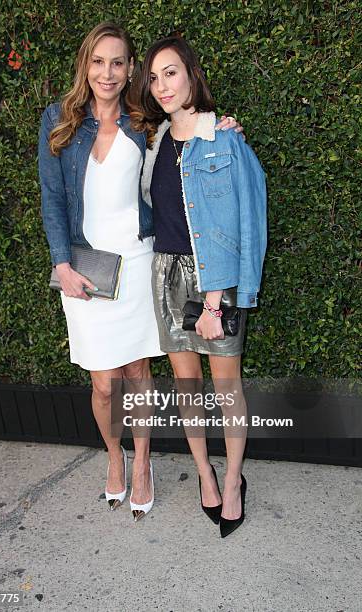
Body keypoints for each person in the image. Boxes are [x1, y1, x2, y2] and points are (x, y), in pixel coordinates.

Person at [38, 22, 244, 522]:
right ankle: (115, 455)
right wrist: (60, 263)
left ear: (129, 69)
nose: (107, 73)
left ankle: (144, 463)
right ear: (85, 66)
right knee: (104, 382)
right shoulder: (58, 120)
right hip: (85, 271)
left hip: (138, 265)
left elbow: (187, 134)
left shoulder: (141, 122)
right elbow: (53, 198)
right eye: (97, 61)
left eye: (117, 62)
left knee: (137, 373)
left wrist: (222, 127)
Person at [132, 35, 267, 536]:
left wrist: (215, 298)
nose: (162, 85)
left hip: (215, 280)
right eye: (153, 77)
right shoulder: (154, 142)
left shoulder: (224, 139)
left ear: (190, 74)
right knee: (188, 386)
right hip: (167, 275)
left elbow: (244, 218)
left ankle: (233, 479)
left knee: (227, 388)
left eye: (170, 72)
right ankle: (204, 473)